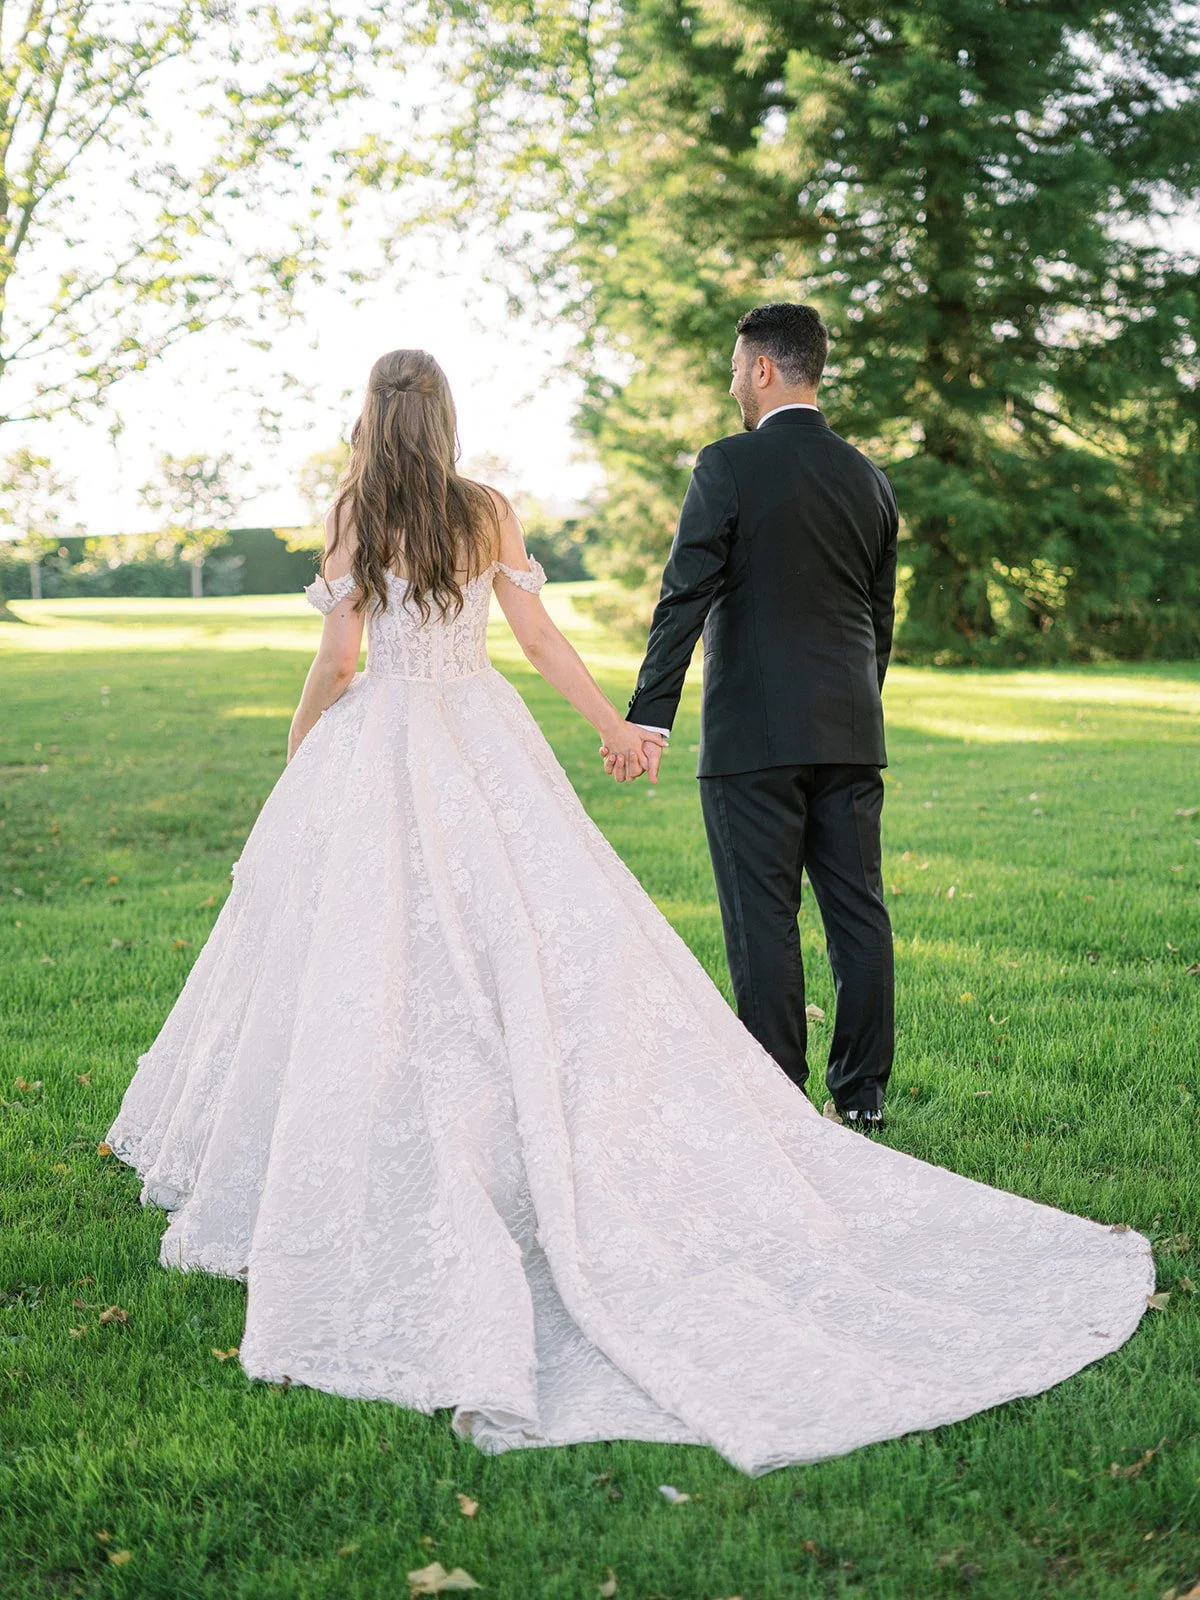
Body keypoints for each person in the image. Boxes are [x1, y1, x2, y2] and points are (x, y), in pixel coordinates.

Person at [104, 347, 1154, 1478]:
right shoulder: (486, 509)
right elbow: (540, 642)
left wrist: (303, 747)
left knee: (379, 944)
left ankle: (404, 1116)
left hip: (393, 738)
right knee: (507, 934)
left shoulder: (358, 511)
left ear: (369, 416)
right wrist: (614, 723)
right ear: (447, 416)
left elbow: (340, 653)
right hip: (481, 734)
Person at [614, 303, 896, 1133]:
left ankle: (778, 1098)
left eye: (738, 367)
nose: (733, 381)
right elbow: (877, 620)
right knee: (859, 911)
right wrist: (855, 703)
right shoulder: (868, 477)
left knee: (763, 915)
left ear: (765, 369)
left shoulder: (727, 463)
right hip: (851, 728)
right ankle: (864, 1094)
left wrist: (650, 715)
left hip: (751, 737)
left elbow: (685, 595)